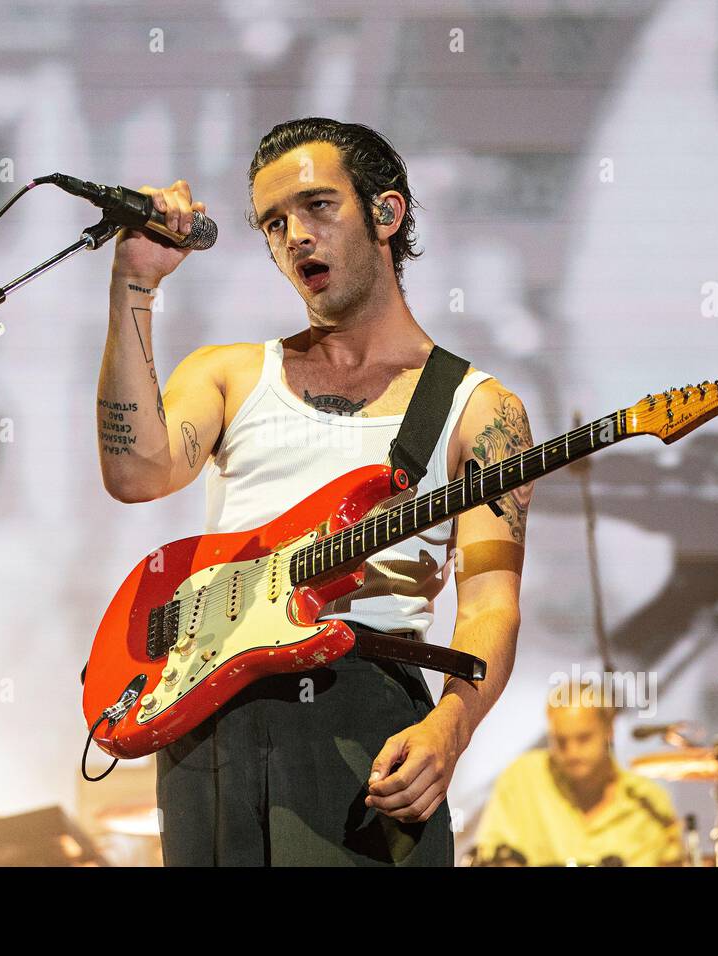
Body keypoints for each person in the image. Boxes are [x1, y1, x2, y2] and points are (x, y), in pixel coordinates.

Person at [96, 117, 533, 865]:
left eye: (318, 207)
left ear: (386, 215)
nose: (294, 235)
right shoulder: (230, 372)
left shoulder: (480, 409)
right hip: (211, 714)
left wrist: (450, 730)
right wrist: (134, 281)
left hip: (365, 721)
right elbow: (136, 472)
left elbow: (492, 604)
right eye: (273, 223)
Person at [472, 687, 682, 867]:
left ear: (609, 729)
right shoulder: (523, 778)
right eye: (561, 741)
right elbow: (490, 853)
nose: (572, 753)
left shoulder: (649, 799)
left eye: (584, 738)